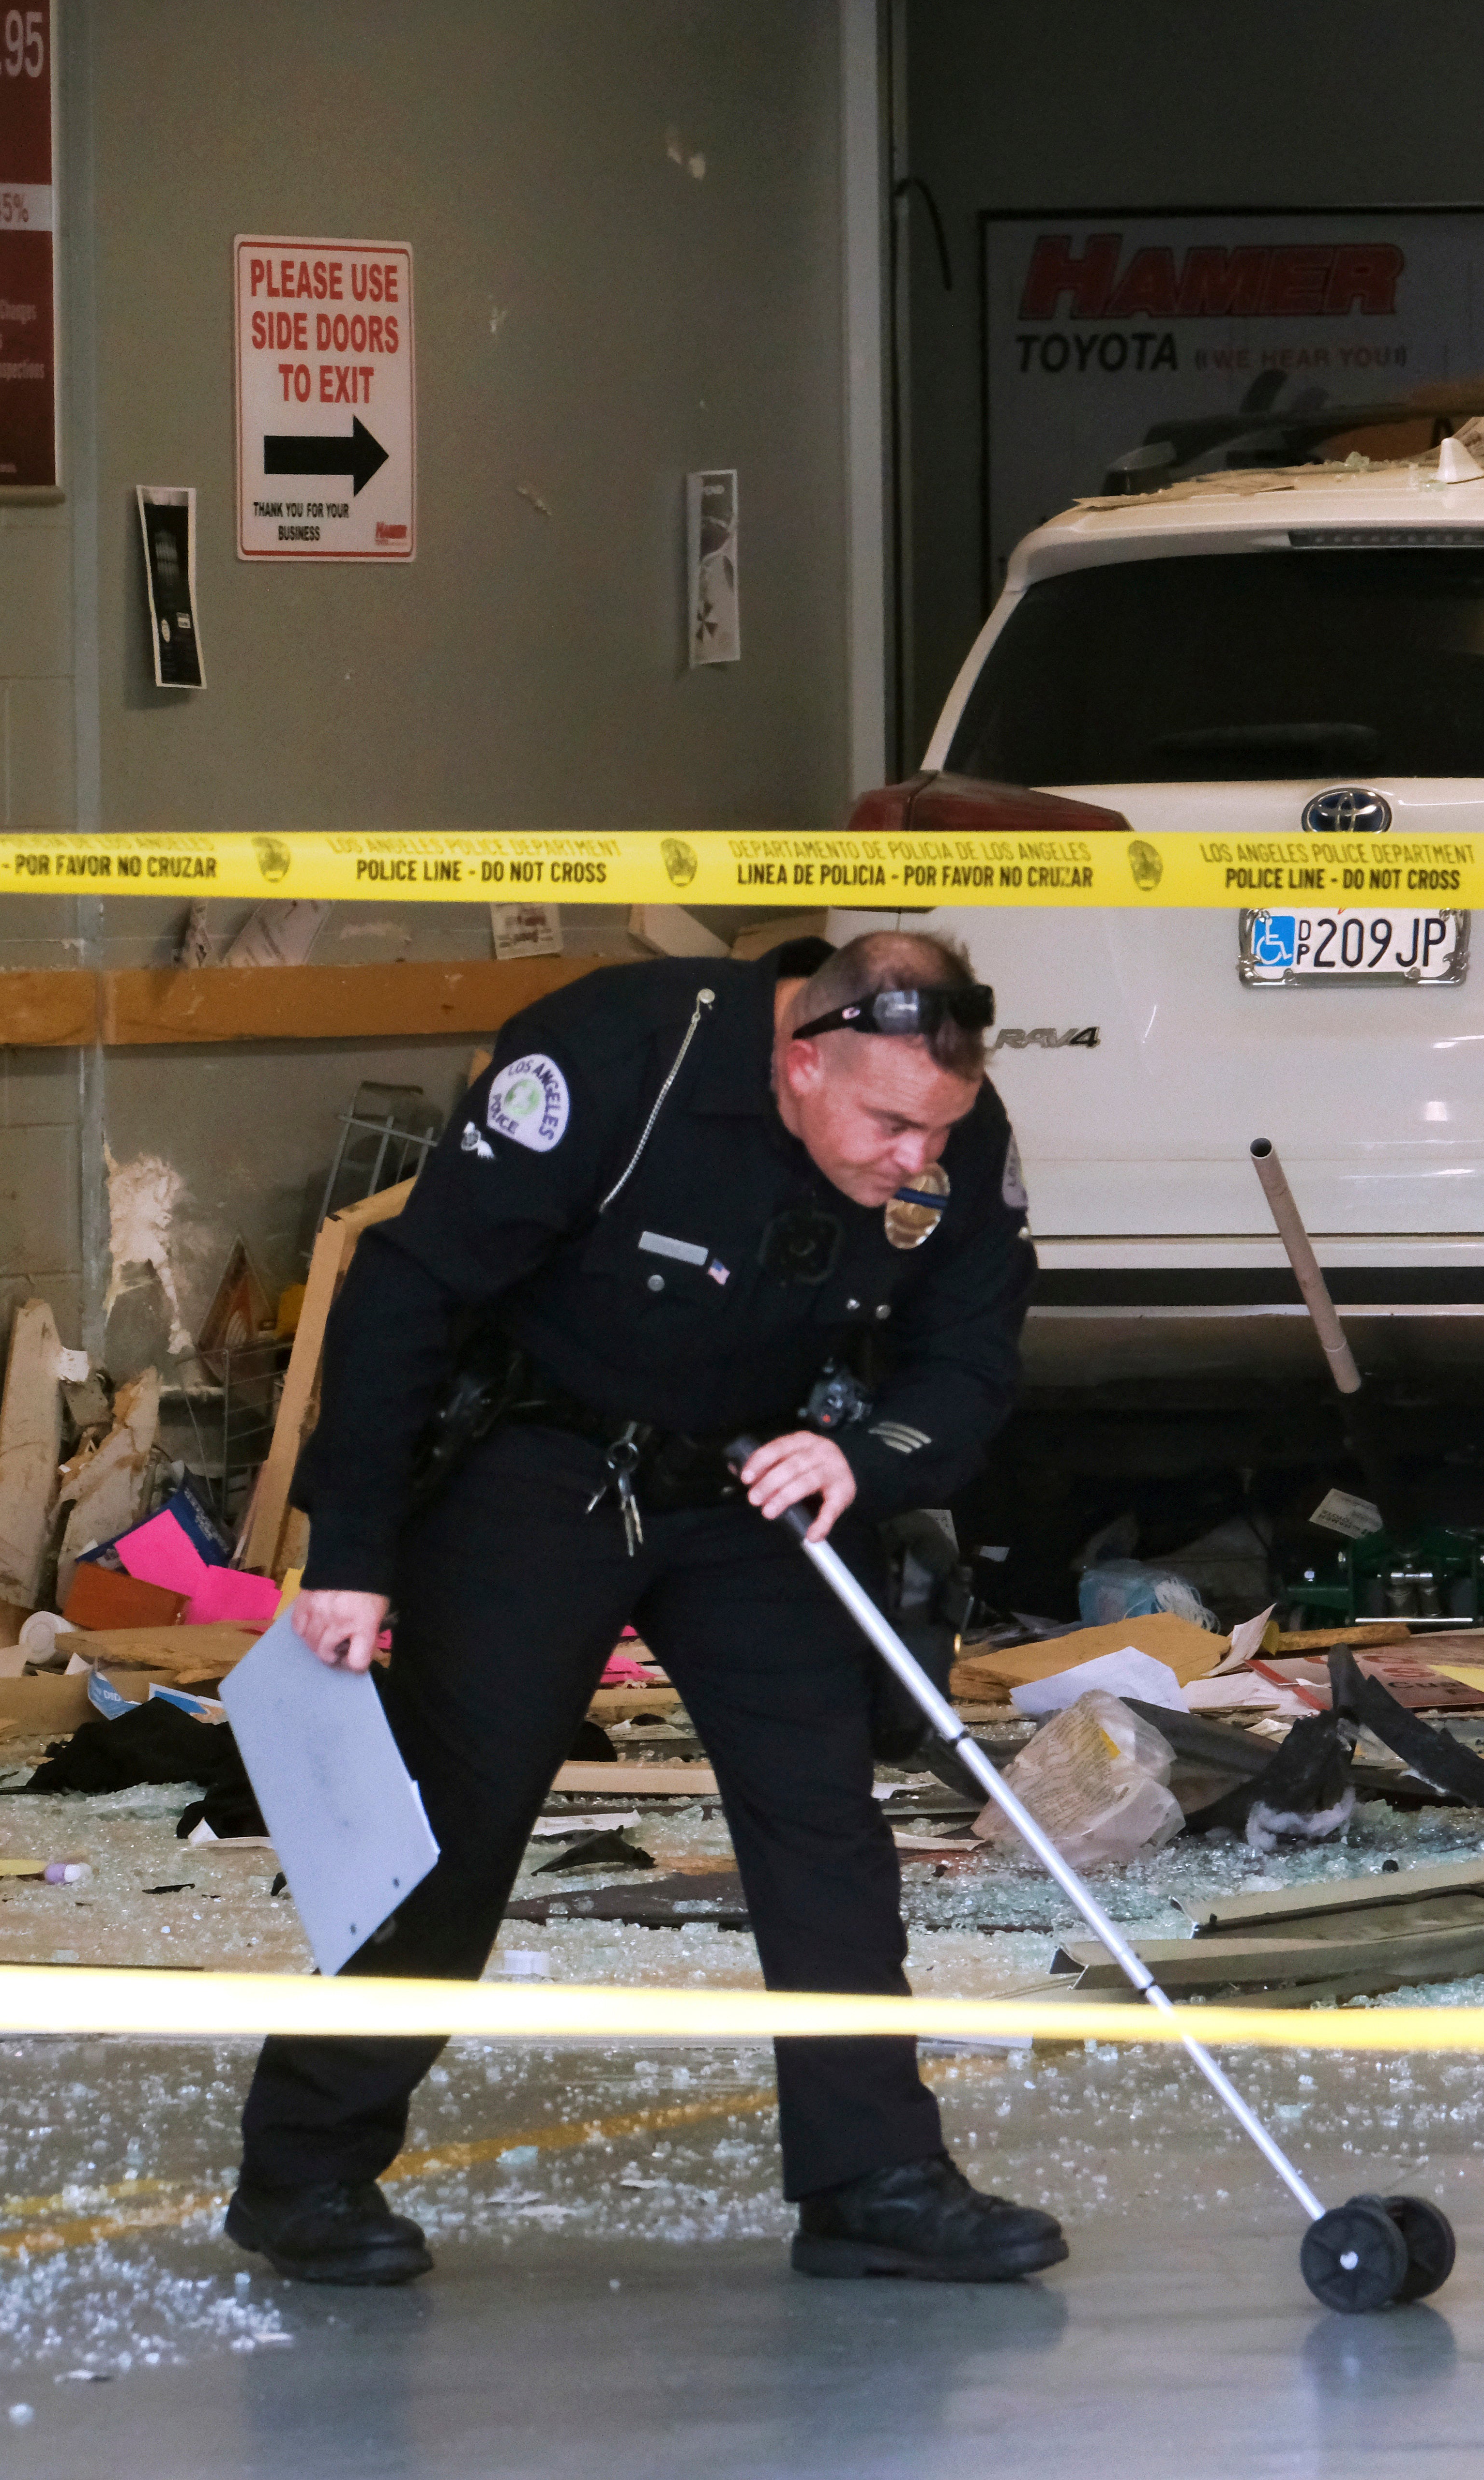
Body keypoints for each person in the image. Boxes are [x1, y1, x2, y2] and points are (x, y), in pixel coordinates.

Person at [223, 929, 1063, 2288]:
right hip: (546, 1462)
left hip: (756, 1475)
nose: (918, 1158)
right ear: (803, 1060)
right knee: (458, 1819)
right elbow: (411, 1287)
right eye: (892, 1127)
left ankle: (872, 2176)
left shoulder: (948, 1125)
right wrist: (354, 1554)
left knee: (822, 1816)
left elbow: (971, 1349)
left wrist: (868, 1458)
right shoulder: (620, 1054)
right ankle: (306, 2170)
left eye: (939, 1130)